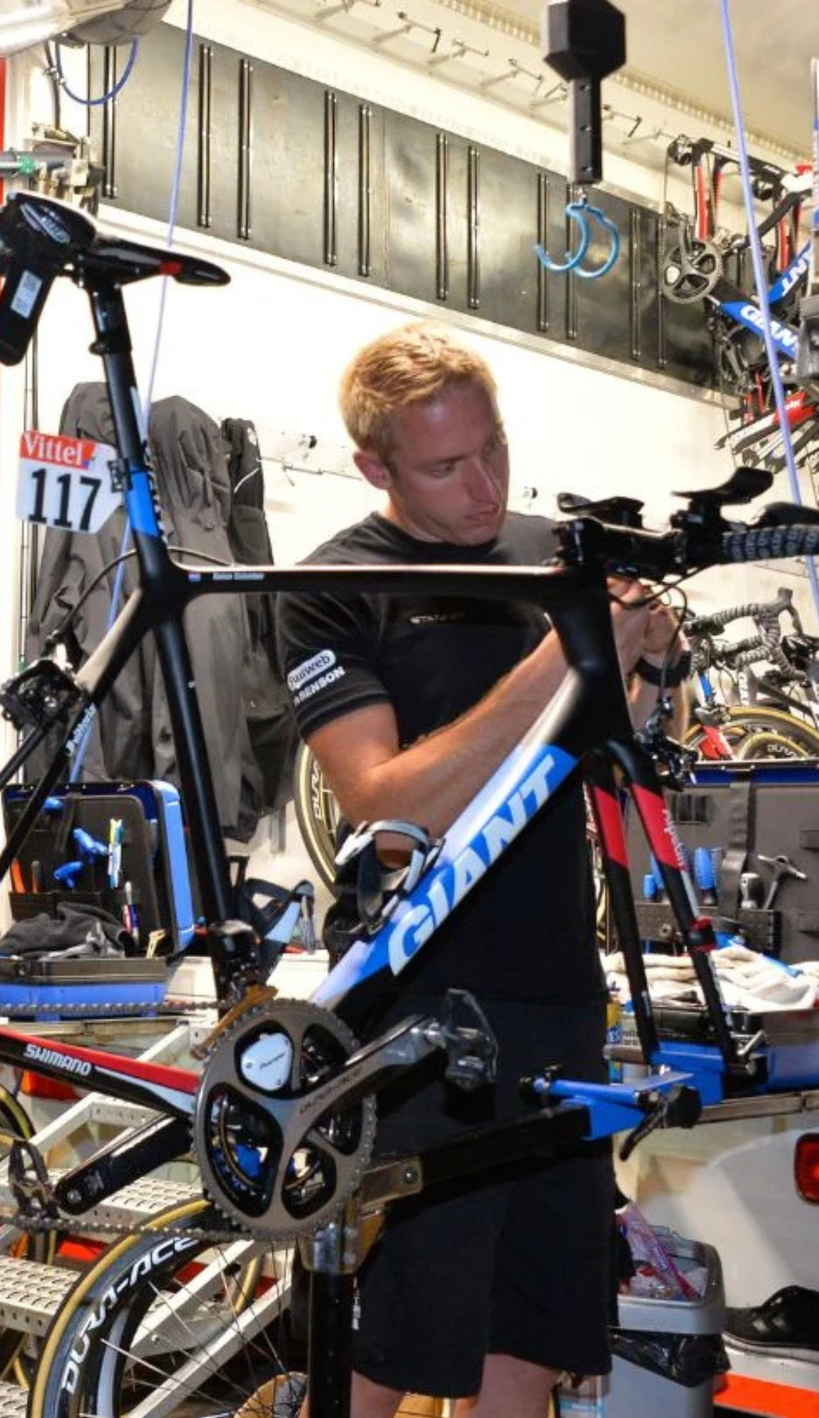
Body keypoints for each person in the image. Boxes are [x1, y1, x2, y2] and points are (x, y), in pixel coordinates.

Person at [278, 323, 686, 1418]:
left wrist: (650, 668)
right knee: (391, 1338)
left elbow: (622, 763)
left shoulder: (554, 557)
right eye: (446, 466)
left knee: (533, 1332)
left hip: (558, 988)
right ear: (375, 467)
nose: (486, 485)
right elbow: (384, 803)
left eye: (494, 447)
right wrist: (563, 656)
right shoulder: (331, 584)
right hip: (418, 1007)